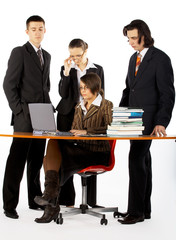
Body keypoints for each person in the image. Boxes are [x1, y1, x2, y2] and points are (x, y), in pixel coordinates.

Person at [34, 72, 113, 223]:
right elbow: (75, 130)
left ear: (96, 88)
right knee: (53, 142)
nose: (82, 91)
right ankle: (50, 196)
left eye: (86, 87)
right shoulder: (79, 106)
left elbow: (109, 129)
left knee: (53, 160)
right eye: (81, 87)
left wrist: (87, 132)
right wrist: (62, 134)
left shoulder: (106, 105)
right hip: (81, 149)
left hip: (98, 152)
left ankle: (50, 202)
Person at [117, 19, 175, 224]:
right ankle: (144, 209)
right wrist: (118, 116)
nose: (131, 42)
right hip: (131, 120)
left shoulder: (160, 59)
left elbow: (167, 94)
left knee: (136, 159)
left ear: (144, 35)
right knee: (143, 161)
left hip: (149, 120)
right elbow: (128, 89)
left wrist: (162, 122)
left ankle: (136, 211)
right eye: (128, 39)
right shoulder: (134, 58)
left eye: (134, 38)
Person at [3, 15, 51, 219]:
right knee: (17, 160)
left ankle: (34, 200)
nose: (37, 32)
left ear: (45, 30)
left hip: (43, 116)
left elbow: (45, 86)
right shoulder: (19, 52)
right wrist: (19, 111)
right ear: (27, 32)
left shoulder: (47, 55)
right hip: (24, 115)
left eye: (40, 28)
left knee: (36, 161)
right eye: (33, 29)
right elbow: (8, 84)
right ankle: (9, 205)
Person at [56, 39, 105, 207]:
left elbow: (101, 94)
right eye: (72, 55)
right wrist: (67, 73)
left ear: (86, 51)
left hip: (88, 115)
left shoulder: (97, 69)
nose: (75, 59)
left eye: (78, 55)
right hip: (67, 115)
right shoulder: (67, 68)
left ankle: (91, 201)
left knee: (90, 151)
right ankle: (67, 200)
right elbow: (63, 94)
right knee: (65, 154)